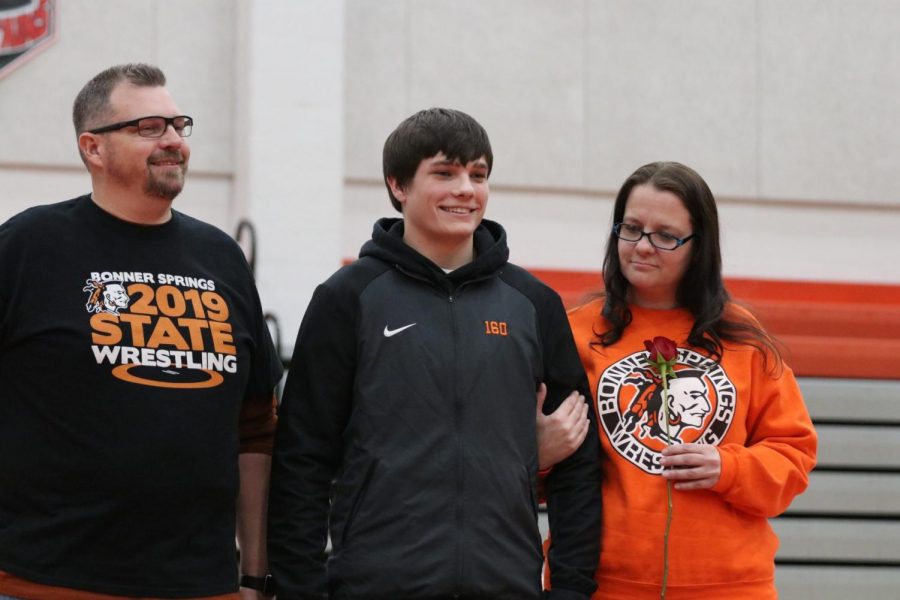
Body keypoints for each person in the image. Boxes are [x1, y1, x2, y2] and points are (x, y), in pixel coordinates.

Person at [267, 108, 603, 599]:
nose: (466, 189)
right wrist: (302, 588)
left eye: (478, 174)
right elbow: (302, 459)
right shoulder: (348, 298)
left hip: (506, 584)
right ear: (399, 186)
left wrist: (570, 590)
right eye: (444, 173)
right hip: (374, 586)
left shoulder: (534, 304)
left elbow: (578, 464)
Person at [0, 64, 283, 599]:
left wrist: (253, 575)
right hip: (43, 583)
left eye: (179, 125)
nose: (174, 140)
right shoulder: (27, 246)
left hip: (202, 586)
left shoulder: (221, 257)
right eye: (149, 127)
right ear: (94, 148)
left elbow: (255, 428)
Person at [559, 161, 817, 599]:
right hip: (604, 585)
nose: (643, 246)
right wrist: (544, 449)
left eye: (665, 235)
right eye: (632, 228)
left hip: (732, 587)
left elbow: (793, 457)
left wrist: (728, 468)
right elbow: (536, 466)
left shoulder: (743, 336)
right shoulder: (575, 332)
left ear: (700, 245)